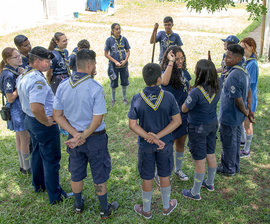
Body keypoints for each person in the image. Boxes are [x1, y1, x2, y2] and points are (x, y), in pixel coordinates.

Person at [53, 49, 119, 218]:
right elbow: (97, 120)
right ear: (89, 65)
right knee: (99, 173)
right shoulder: (94, 87)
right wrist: (82, 136)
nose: (95, 66)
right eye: (95, 63)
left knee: (76, 172)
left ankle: (78, 205)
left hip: (73, 139)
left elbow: (57, 115)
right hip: (95, 139)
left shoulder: (62, 86)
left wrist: (75, 135)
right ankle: (104, 209)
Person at [128, 63, 182, 219]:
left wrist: (149, 136)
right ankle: (166, 207)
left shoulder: (137, 98)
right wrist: (159, 136)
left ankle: (146, 210)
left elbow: (132, 125)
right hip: (165, 144)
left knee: (147, 177)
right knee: (164, 175)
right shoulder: (169, 97)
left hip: (145, 145)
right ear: (160, 79)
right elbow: (177, 121)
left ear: (144, 78)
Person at [16, 46, 68, 204]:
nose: (50, 64)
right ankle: (55, 195)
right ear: (37, 61)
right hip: (41, 122)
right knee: (51, 158)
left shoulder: (26, 74)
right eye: (47, 61)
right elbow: (36, 106)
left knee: (38, 152)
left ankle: (38, 184)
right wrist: (46, 121)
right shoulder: (37, 79)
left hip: (30, 121)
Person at [181, 59, 221, 200]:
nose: (194, 71)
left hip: (197, 128)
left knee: (199, 160)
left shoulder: (196, 92)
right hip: (212, 124)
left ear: (200, 74)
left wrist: (189, 94)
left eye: (196, 70)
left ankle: (195, 192)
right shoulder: (218, 85)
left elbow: (184, 108)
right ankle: (210, 183)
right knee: (210, 153)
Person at [217, 44, 253, 176]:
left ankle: (228, 168)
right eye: (226, 55)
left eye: (229, 57)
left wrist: (246, 111)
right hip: (237, 117)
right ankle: (234, 165)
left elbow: (237, 100)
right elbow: (248, 90)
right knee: (235, 142)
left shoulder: (234, 75)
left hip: (230, 116)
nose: (226, 59)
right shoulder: (243, 70)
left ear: (238, 58)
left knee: (228, 143)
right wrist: (247, 109)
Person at [159, 46, 191, 182]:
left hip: (183, 113)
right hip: (170, 115)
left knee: (181, 142)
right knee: (167, 144)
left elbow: (188, 88)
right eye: (176, 58)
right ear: (169, 58)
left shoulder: (184, 72)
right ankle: (161, 172)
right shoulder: (166, 72)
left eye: (181, 58)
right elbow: (164, 82)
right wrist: (171, 62)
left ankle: (177, 169)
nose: (180, 61)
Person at [0, 47, 31, 174]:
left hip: (18, 108)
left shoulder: (14, 70)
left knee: (19, 137)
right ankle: (27, 166)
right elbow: (10, 97)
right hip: (16, 110)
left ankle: (23, 166)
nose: (19, 58)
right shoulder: (8, 74)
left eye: (19, 56)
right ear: (7, 60)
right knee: (25, 138)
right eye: (15, 57)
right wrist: (20, 85)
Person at [240, 37, 259, 158]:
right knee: (243, 122)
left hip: (249, 99)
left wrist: (248, 103)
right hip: (245, 98)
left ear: (251, 47)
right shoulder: (247, 61)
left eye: (244, 48)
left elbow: (250, 85)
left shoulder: (252, 64)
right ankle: (243, 141)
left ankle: (246, 150)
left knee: (248, 124)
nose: (242, 50)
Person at [104, 23, 130, 106]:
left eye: (119, 29)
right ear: (112, 31)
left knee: (124, 80)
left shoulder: (124, 39)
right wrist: (115, 61)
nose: (118, 31)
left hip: (123, 65)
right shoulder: (109, 40)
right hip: (113, 65)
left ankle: (124, 98)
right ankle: (113, 99)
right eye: (116, 29)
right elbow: (106, 54)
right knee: (114, 81)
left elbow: (128, 51)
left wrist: (125, 60)